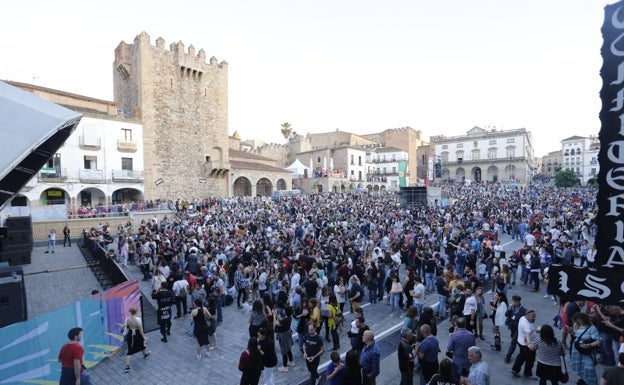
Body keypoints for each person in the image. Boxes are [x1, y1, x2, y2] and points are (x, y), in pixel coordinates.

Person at [570, 312, 601, 385]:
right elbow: (576, 335)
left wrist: (589, 345)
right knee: (580, 367)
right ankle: (583, 380)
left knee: (589, 369)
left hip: (587, 351)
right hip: (577, 351)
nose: (577, 321)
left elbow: (599, 341)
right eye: (576, 320)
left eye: (578, 320)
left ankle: (592, 383)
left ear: (583, 319)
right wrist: (571, 331)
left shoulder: (592, 328)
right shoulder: (576, 325)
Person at [510, 310, 538, 380]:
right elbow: (527, 335)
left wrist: (534, 331)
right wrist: (529, 344)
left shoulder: (522, 318)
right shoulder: (527, 325)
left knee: (522, 356)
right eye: (532, 317)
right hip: (527, 345)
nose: (534, 319)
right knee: (530, 360)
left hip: (520, 341)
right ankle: (528, 374)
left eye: (534, 317)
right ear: (527, 315)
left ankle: (515, 369)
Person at [447, 317, 476, 382]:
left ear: (457, 325)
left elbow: (449, 348)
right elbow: (474, 347)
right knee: (466, 379)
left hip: (457, 362)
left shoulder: (454, 335)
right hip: (468, 361)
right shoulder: (471, 335)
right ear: (465, 324)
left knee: (457, 379)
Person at [122, 307, 150, 373]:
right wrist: (144, 336)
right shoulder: (138, 319)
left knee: (138, 346)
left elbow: (126, 328)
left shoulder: (127, 319)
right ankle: (127, 366)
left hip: (130, 335)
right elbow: (141, 330)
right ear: (136, 312)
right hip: (137, 334)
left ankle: (145, 354)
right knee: (132, 349)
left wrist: (125, 333)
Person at [505, 295, 527, 363]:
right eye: (513, 301)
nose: (514, 303)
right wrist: (509, 308)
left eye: (515, 301)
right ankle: (524, 354)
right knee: (518, 341)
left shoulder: (523, 310)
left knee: (513, 342)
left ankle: (508, 357)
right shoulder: (511, 308)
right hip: (512, 327)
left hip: (519, 329)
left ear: (519, 302)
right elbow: (506, 314)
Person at [274, 305, 295, 372]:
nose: (283, 310)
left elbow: (276, 323)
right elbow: (280, 321)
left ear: (285, 312)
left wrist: (274, 315)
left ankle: (285, 366)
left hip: (284, 336)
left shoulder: (285, 319)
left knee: (284, 351)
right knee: (288, 349)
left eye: (284, 310)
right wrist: (277, 314)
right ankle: (291, 361)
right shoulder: (288, 318)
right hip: (287, 334)